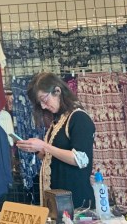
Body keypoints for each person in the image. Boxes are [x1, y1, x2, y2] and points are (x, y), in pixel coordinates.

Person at [16, 72, 96, 208]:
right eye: (40, 103)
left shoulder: (78, 118)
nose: (43, 106)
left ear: (57, 91)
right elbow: (53, 158)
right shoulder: (58, 122)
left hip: (76, 201)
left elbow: (81, 159)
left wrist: (44, 146)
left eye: (44, 99)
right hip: (60, 201)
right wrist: (36, 149)